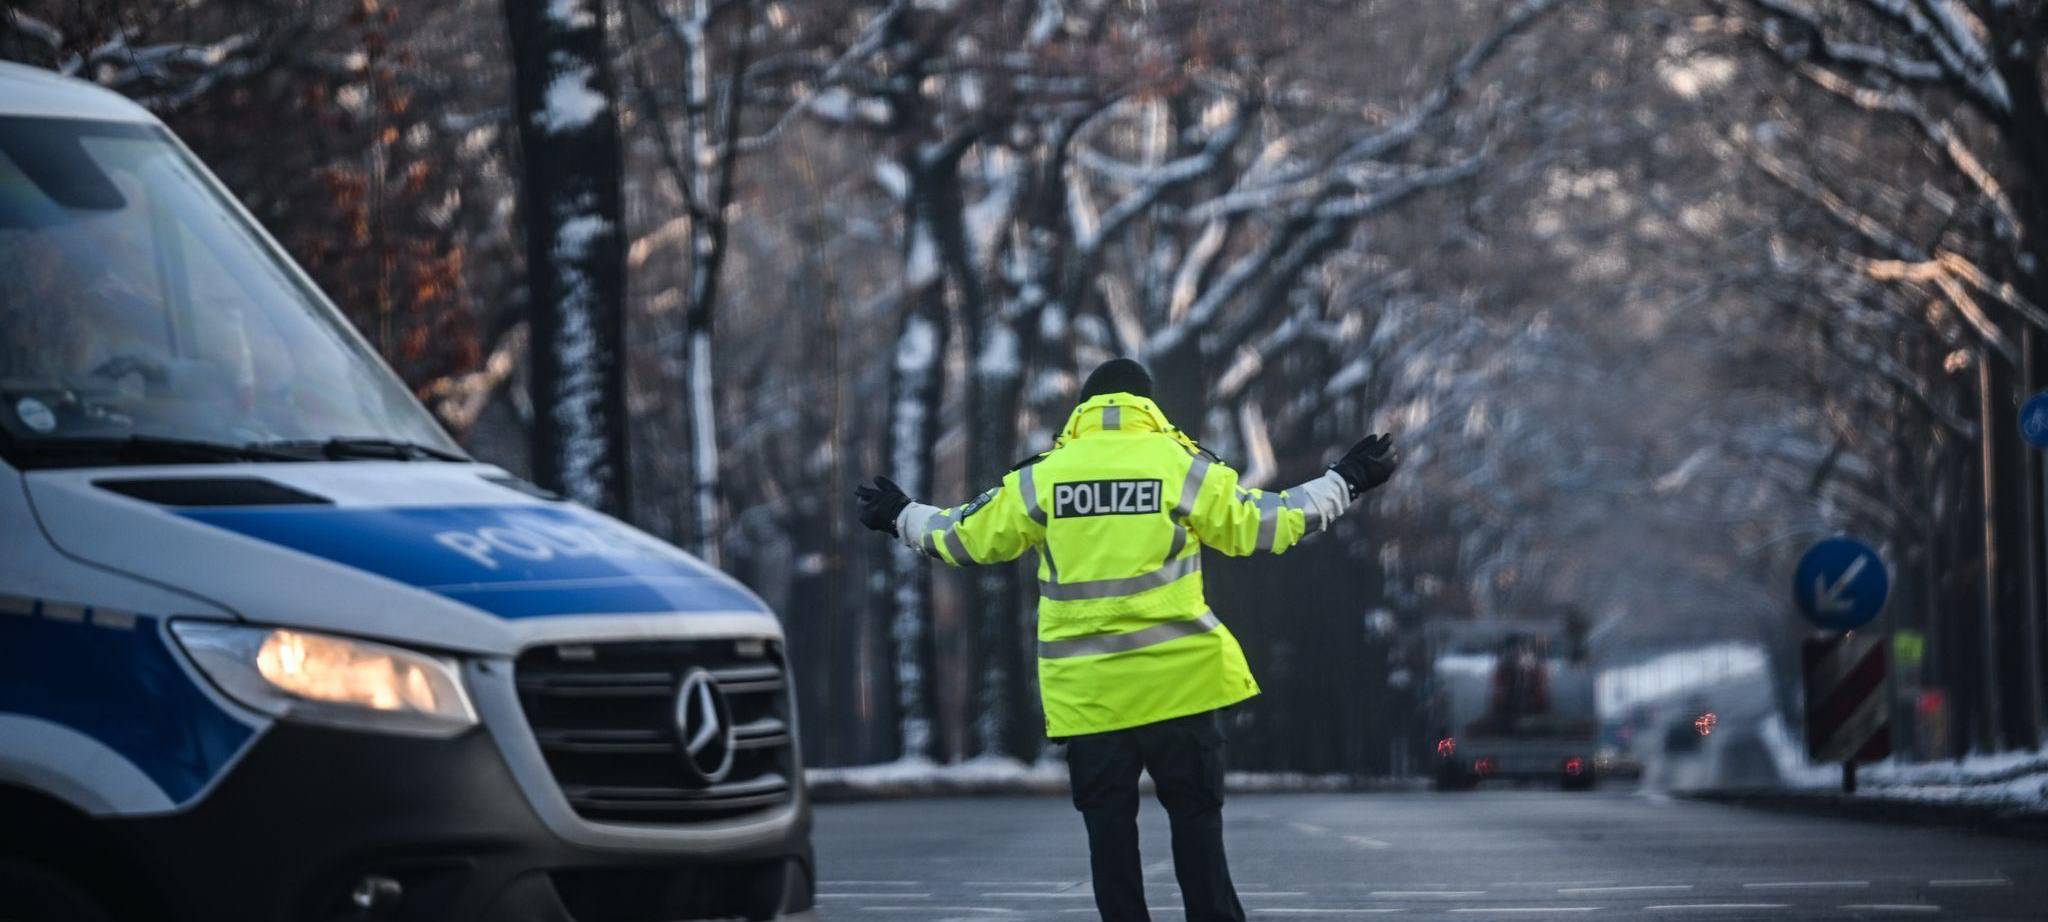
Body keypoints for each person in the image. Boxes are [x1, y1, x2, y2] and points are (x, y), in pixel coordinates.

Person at [854, 357, 1399, 922]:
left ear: (1084, 408)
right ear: (1147, 405)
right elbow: (1267, 524)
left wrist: (900, 516)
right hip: (1181, 688)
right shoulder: (1178, 465)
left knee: (1110, 848)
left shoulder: (1045, 475)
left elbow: (965, 536)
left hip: (1091, 698)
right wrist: (1346, 479)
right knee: (1198, 833)